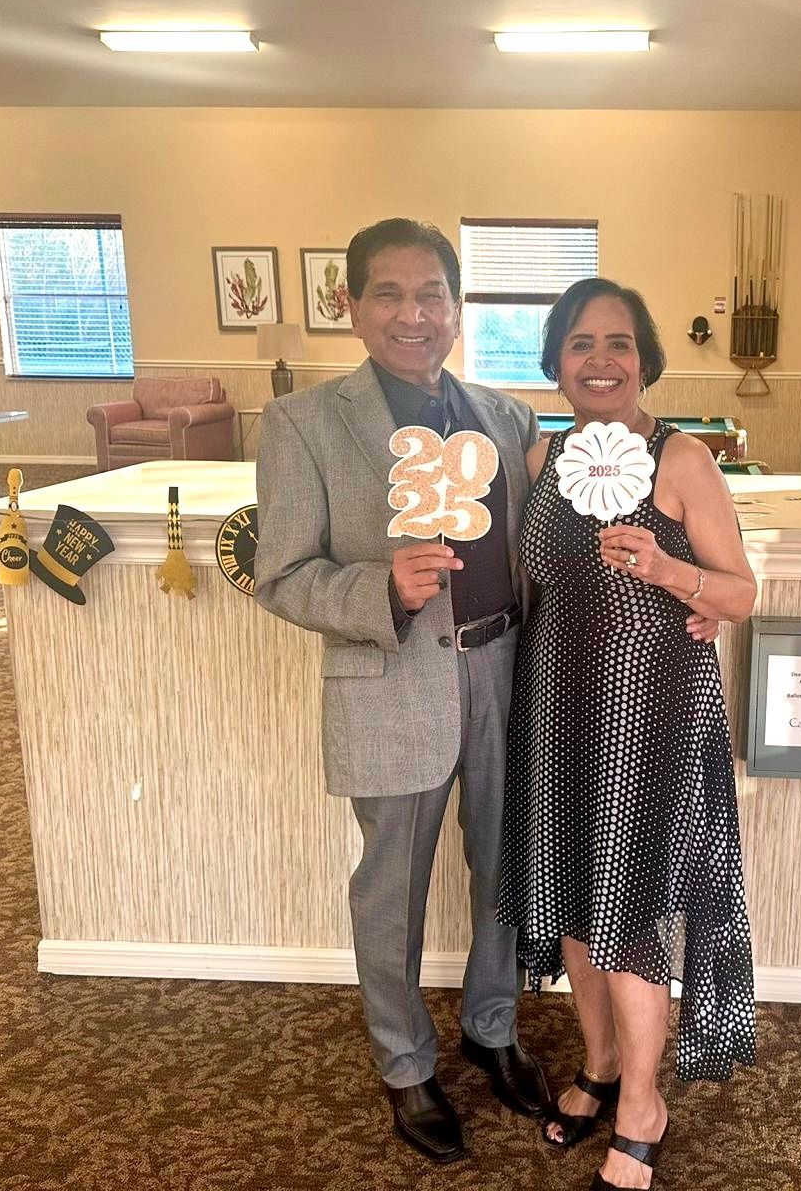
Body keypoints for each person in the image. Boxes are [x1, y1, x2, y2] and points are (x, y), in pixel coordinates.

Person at [251, 218, 552, 1165]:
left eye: (431, 296)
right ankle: (404, 1064)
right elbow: (282, 573)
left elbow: (546, 553)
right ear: (352, 305)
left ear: (459, 310)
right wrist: (378, 586)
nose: (412, 314)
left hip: (507, 671)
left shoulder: (506, 420)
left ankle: (491, 1027)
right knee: (394, 888)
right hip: (392, 678)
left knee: (506, 871)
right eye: (389, 293)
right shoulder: (305, 422)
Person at [498, 278, 758, 1191]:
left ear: (644, 358)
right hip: (556, 710)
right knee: (573, 899)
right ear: (555, 364)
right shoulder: (540, 461)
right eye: (580, 344)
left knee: (630, 908)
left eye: (617, 343)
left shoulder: (680, 460)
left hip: (648, 719)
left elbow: (740, 593)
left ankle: (643, 1101)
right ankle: (601, 1064)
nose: (600, 360)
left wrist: (667, 569)